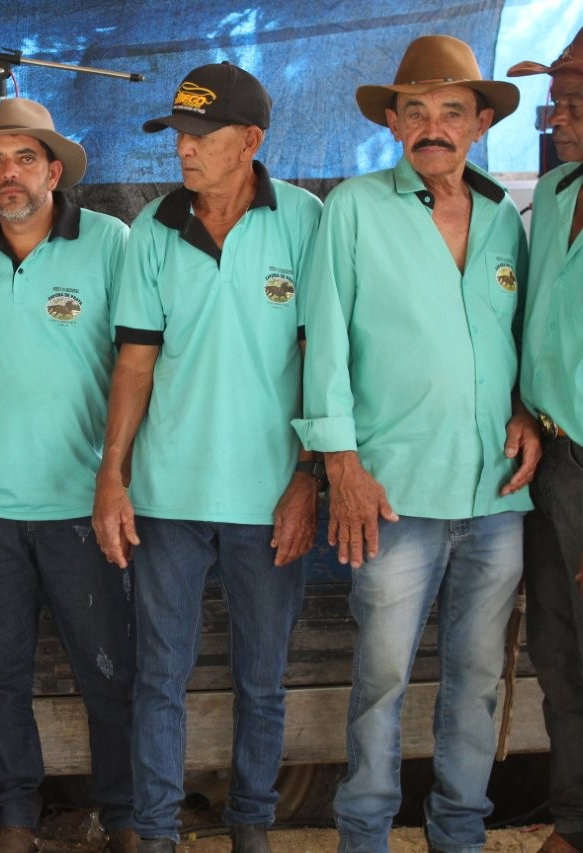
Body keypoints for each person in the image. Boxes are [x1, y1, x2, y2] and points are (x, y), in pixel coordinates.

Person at [293, 35, 539, 853]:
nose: (434, 126)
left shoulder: (503, 217)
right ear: (394, 122)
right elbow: (324, 341)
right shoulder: (355, 207)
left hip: (495, 492)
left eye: (452, 111)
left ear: (479, 124)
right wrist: (341, 464)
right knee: (381, 680)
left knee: (478, 679)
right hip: (390, 492)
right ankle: (364, 835)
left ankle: (459, 833)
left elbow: (517, 340)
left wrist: (527, 410)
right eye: (417, 111)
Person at [92, 63, 322, 853]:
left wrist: (308, 476)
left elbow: (321, 358)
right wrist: (113, 473)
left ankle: (251, 824)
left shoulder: (305, 221)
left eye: (201, 136)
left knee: (263, 677)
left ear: (251, 140)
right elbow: (134, 363)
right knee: (160, 676)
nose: (184, 150)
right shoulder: (154, 229)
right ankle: (157, 832)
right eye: (178, 136)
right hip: (169, 493)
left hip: (270, 493)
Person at [0, 98, 136, 853]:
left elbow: (140, 359)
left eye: (25, 158)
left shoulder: (110, 241)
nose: (8, 174)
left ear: (55, 171)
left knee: (109, 671)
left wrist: (118, 474)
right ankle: (16, 815)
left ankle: (123, 815)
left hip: (82, 498)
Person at [508, 28, 583, 853]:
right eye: (556, 102)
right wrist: (526, 406)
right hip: (552, 458)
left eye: (577, 104)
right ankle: (573, 819)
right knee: (557, 651)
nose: (558, 118)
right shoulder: (558, 190)